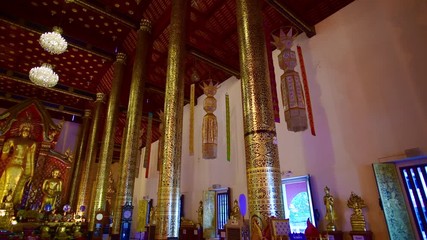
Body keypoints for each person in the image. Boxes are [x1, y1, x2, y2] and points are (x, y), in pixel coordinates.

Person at [0, 122, 37, 206]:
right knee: (6, 184)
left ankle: (10, 204)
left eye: (28, 130)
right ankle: (2, 202)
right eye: (24, 129)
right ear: (21, 130)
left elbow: (30, 159)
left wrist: (31, 173)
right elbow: (4, 155)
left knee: (17, 186)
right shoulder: (13, 140)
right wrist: (6, 147)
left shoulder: (32, 143)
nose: (26, 131)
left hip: (21, 167)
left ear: (30, 132)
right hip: (12, 164)